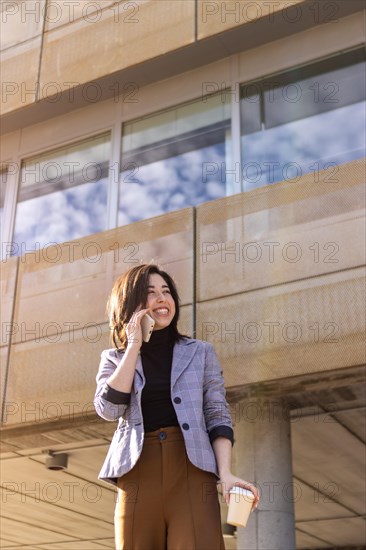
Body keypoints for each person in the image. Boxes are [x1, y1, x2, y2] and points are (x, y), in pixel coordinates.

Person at [94, 263, 259, 550]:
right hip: (136, 474)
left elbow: (217, 413)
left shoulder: (200, 352)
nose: (162, 299)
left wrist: (226, 474)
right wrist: (133, 346)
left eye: (166, 291)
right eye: (151, 293)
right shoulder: (114, 358)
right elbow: (108, 410)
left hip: (192, 471)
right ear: (130, 303)